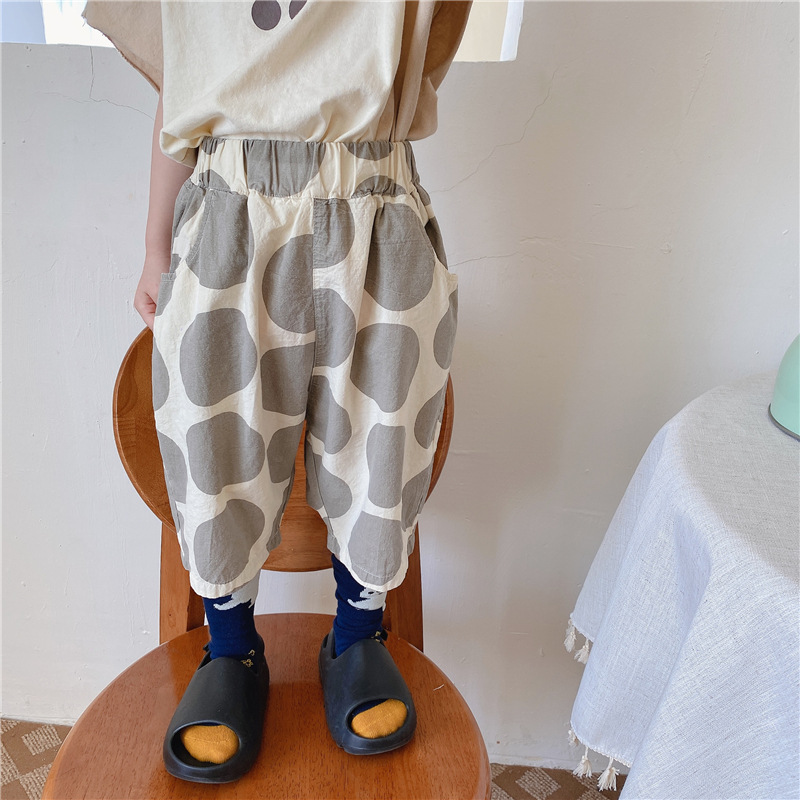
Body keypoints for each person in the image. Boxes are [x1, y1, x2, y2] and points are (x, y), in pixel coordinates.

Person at [82, 0, 471, 784]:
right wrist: (154, 246)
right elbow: (186, 82)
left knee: (384, 427)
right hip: (229, 200)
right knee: (215, 432)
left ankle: (357, 635)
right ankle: (231, 650)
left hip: (375, 191)